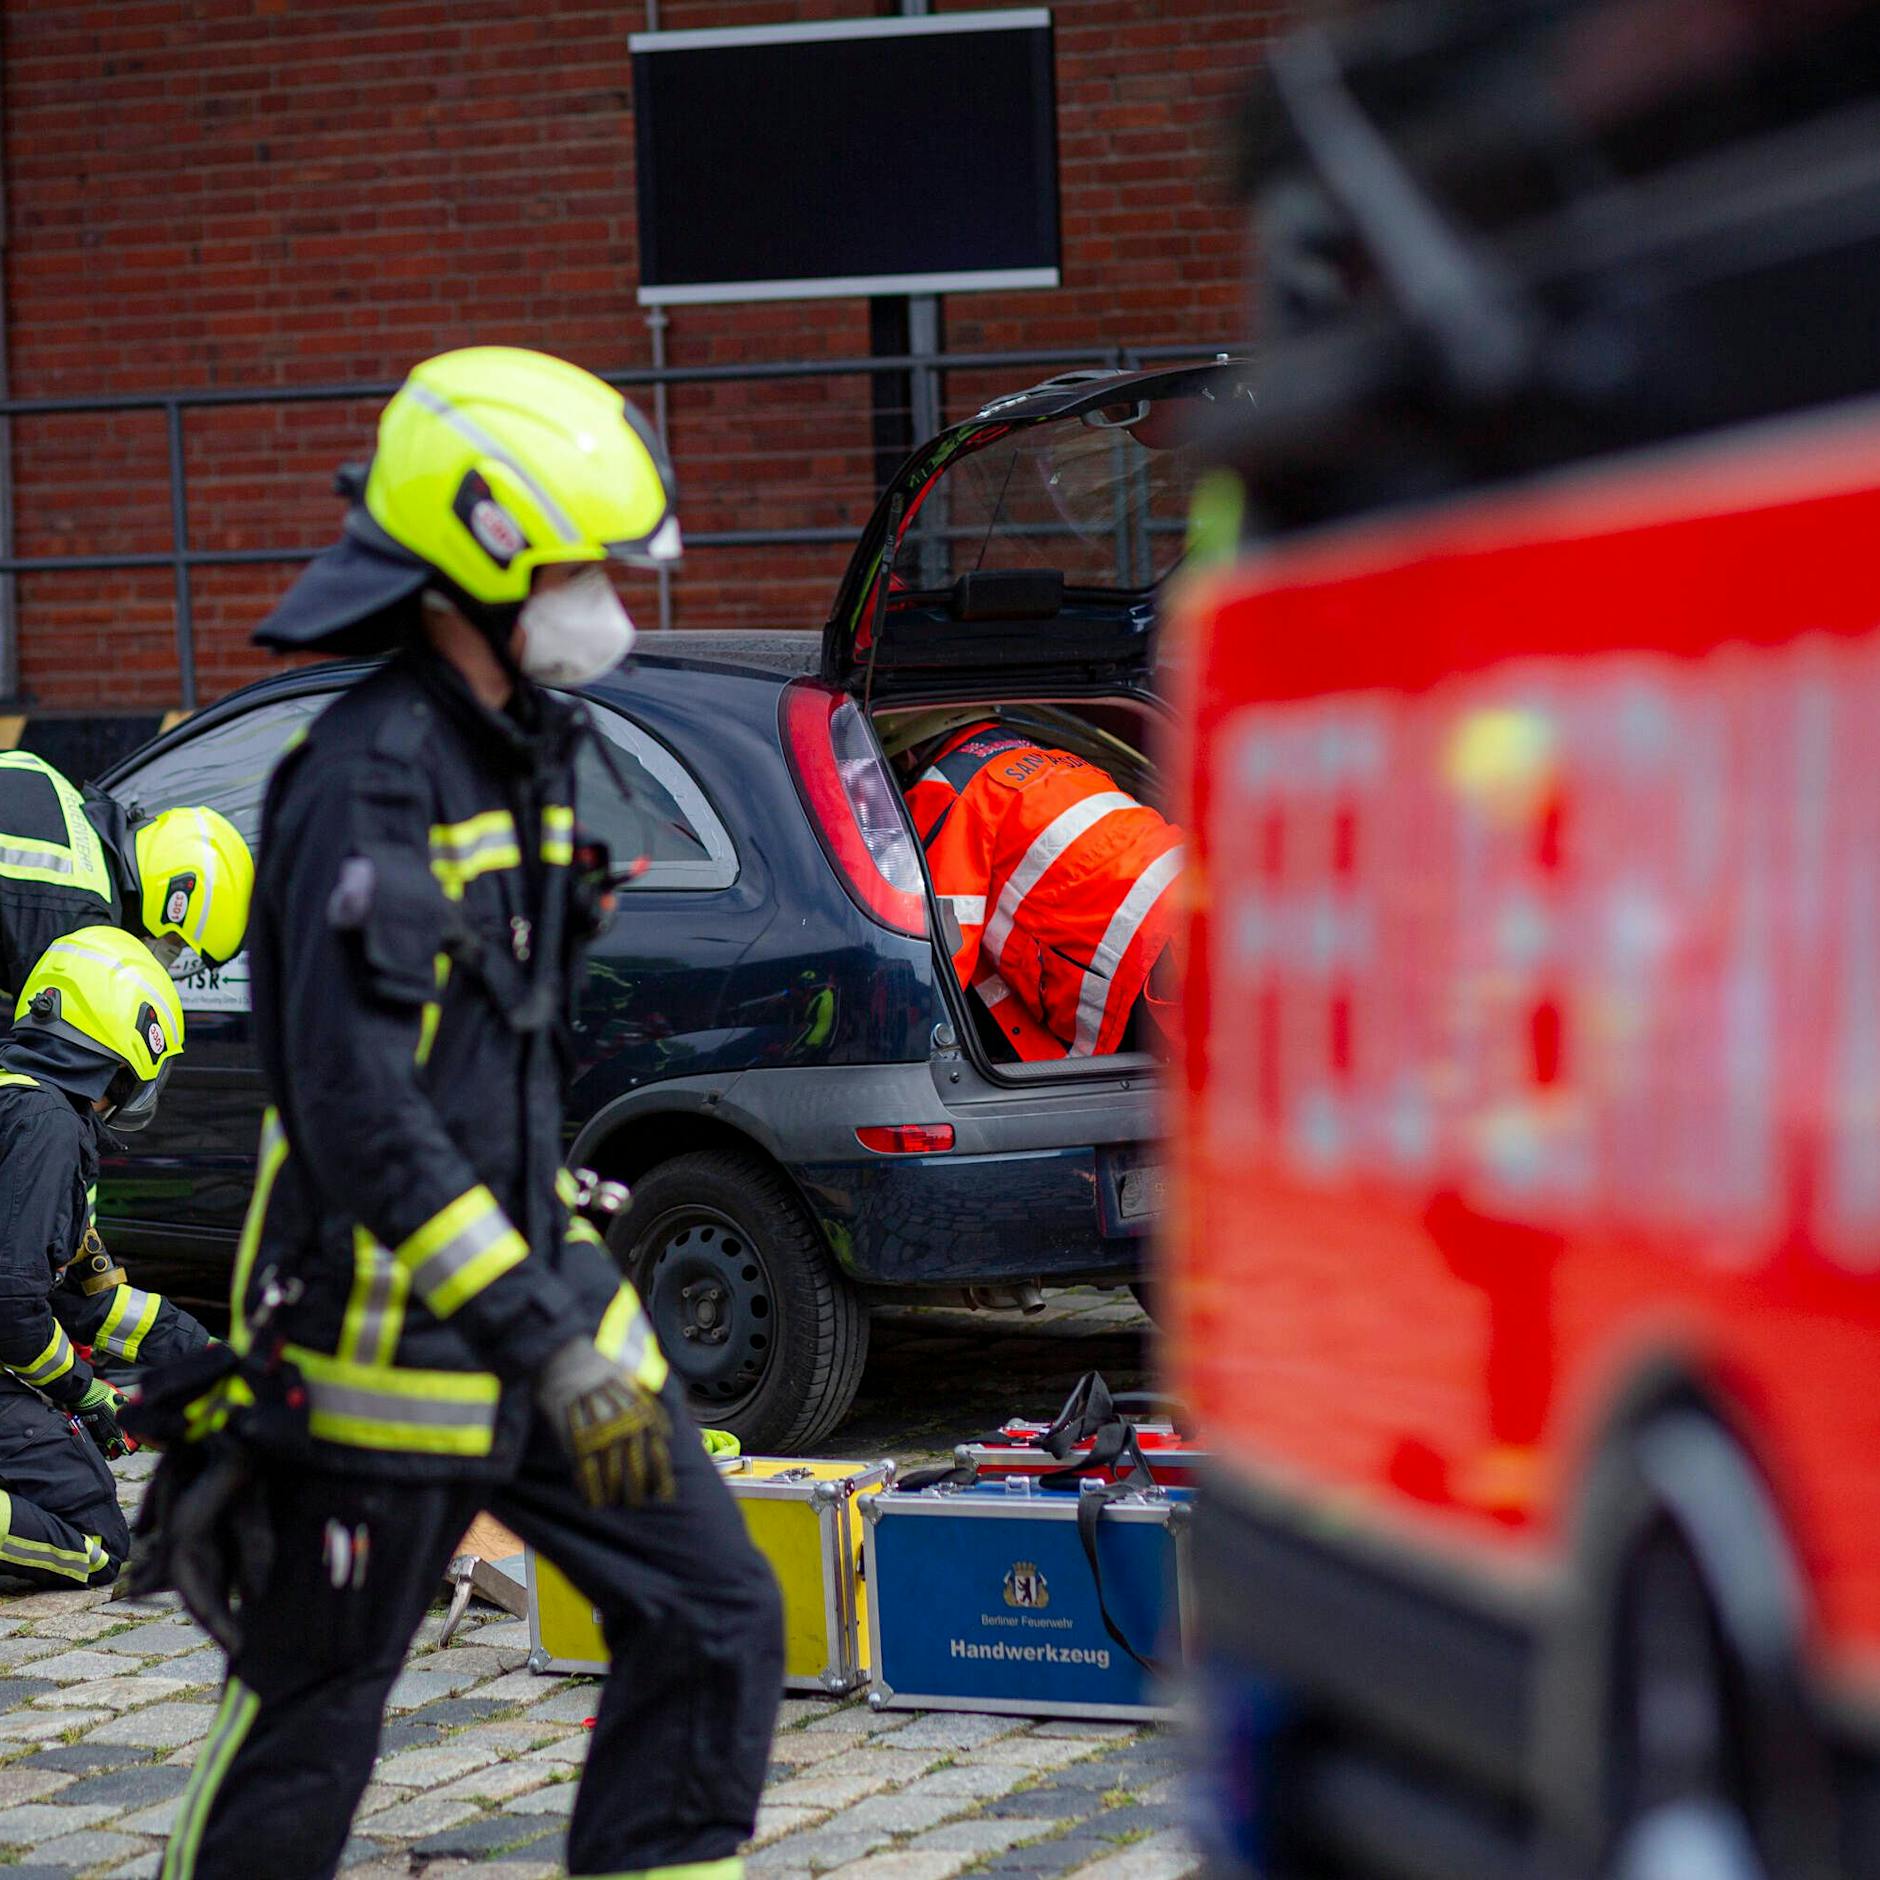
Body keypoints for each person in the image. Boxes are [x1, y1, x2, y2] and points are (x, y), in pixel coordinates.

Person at [158, 347, 781, 1880]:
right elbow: (365, 1116)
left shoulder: (535, 750)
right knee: (313, 1717)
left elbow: (497, 1074)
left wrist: (582, 1340)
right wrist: (543, 1336)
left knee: (716, 1614)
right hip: (380, 1371)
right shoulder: (362, 783)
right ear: (486, 557)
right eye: (578, 563)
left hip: (548, 1338)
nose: (604, 596)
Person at [0, 925, 211, 1587]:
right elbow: (10, 1308)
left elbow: (82, 1299)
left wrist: (205, 1358)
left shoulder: (19, 1102)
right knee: (97, 1540)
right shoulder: (47, 1126)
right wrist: (85, 1392)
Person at [896, 715, 1183, 1059]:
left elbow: (942, 946)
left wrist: (905, 1047)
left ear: (907, 754)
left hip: (1142, 944)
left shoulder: (948, 787)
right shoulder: (1060, 758)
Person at [0, 751, 255, 1004]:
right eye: (176, 941)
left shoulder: (43, 775)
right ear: (170, 903)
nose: (172, 956)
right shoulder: (78, 925)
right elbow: (44, 1036)